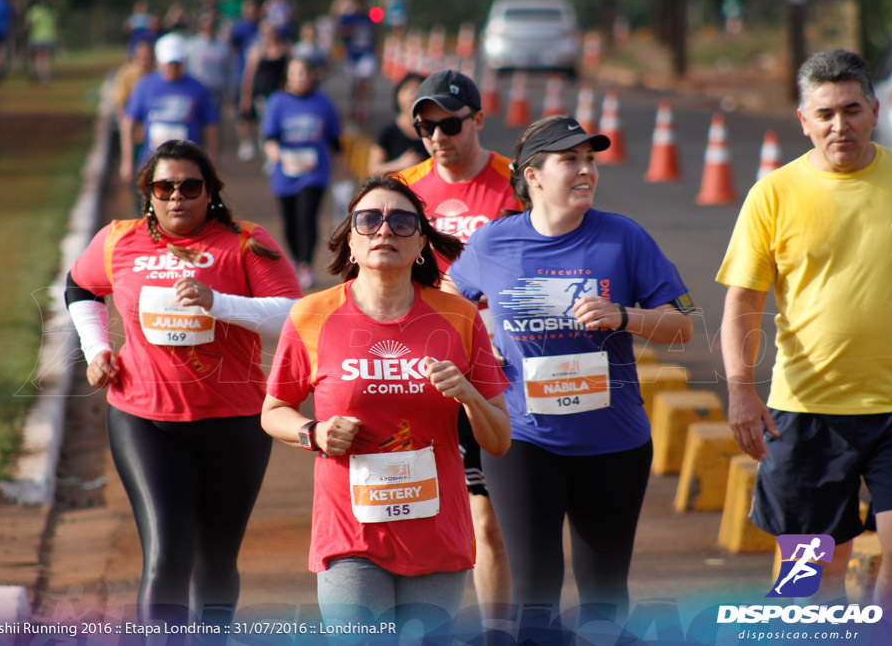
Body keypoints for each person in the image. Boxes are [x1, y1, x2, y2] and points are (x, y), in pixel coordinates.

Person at [445, 115, 694, 627]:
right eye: (569, 160)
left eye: (590, 160)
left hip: (614, 442)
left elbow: (682, 327)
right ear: (531, 175)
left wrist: (624, 315)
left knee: (603, 591)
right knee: (534, 591)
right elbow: (448, 302)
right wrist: (474, 348)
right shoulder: (494, 242)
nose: (585, 171)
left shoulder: (623, 238)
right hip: (524, 440)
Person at [65, 139, 302, 626]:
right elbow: (80, 286)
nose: (177, 196)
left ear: (210, 192)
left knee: (215, 562)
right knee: (169, 555)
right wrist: (96, 350)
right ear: (148, 193)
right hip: (144, 418)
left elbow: (291, 316)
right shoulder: (118, 240)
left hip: (234, 423)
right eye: (164, 186)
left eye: (190, 186)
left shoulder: (246, 242)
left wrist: (218, 302)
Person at [261, 174, 510, 632]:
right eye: (369, 220)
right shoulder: (312, 315)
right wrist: (313, 432)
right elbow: (273, 411)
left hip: (437, 533)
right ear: (350, 243)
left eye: (401, 221)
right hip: (350, 534)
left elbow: (499, 439)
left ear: (421, 245)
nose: (384, 230)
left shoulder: (459, 317)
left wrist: (469, 394)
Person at [717, 49, 892, 614]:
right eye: (824, 113)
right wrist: (739, 389)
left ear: (875, 112)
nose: (839, 125)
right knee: (810, 567)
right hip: (807, 411)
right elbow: (743, 304)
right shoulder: (773, 195)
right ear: (803, 121)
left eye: (851, 109)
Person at [400, 69, 521, 618]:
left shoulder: (516, 181)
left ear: (477, 120)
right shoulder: (404, 190)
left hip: (507, 365)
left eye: (450, 125)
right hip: (432, 366)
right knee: (441, 513)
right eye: (425, 127)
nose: (437, 138)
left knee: (491, 520)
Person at [261, 56, 341, 289]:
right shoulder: (277, 102)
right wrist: (274, 152)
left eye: (305, 72)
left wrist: (341, 173)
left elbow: (335, 141)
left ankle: (306, 265)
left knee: (307, 216)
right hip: (285, 171)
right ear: (288, 76)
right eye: (297, 73)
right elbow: (269, 137)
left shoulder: (323, 103)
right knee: (290, 220)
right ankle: (296, 260)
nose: (302, 77)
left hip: (314, 171)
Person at [120, 33, 219, 184]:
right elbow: (129, 122)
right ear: (159, 61)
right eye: (168, 63)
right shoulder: (145, 86)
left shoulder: (197, 87)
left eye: (176, 63)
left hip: (188, 164)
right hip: (152, 163)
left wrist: (211, 159)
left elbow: (210, 124)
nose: (172, 68)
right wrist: (127, 161)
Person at [236, 20, 289, 163]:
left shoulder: (284, 51)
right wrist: (245, 97)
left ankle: (269, 153)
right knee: (260, 122)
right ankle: (260, 149)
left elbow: (286, 73)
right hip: (260, 92)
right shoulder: (257, 51)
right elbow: (249, 76)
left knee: (273, 123)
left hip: (277, 93)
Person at [368, 72, 429, 175]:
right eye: (406, 89)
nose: (412, 95)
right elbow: (372, 170)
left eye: (417, 89)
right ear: (397, 95)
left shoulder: (433, 131)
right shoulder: (388, 133)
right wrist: (398, 165)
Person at [337, 0, 377, 122]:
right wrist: (350, 29)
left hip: (366, 53)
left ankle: (363, 108)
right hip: (352, 54)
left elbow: (377, 30)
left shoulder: (371, 14)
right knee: (353, 83)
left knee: (363, 81)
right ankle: (352, 107)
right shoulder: (348, 16)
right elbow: (340, 31)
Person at [186, 14, 232, 116]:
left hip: (216, 89)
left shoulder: (223, 47)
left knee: (214, 119)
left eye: (211, 27)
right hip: (197, 87)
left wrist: (229, 93)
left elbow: (228, 71)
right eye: (206, 27)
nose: (208, 30)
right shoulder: (191, 45)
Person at [24, 0, 57, 84]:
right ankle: (47, 77)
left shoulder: (33, 11)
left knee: (37, 58)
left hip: (36, 38)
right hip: (48, 37)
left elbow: (29, 24)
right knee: (46, 58)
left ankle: (40, 76)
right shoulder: (49, 12)